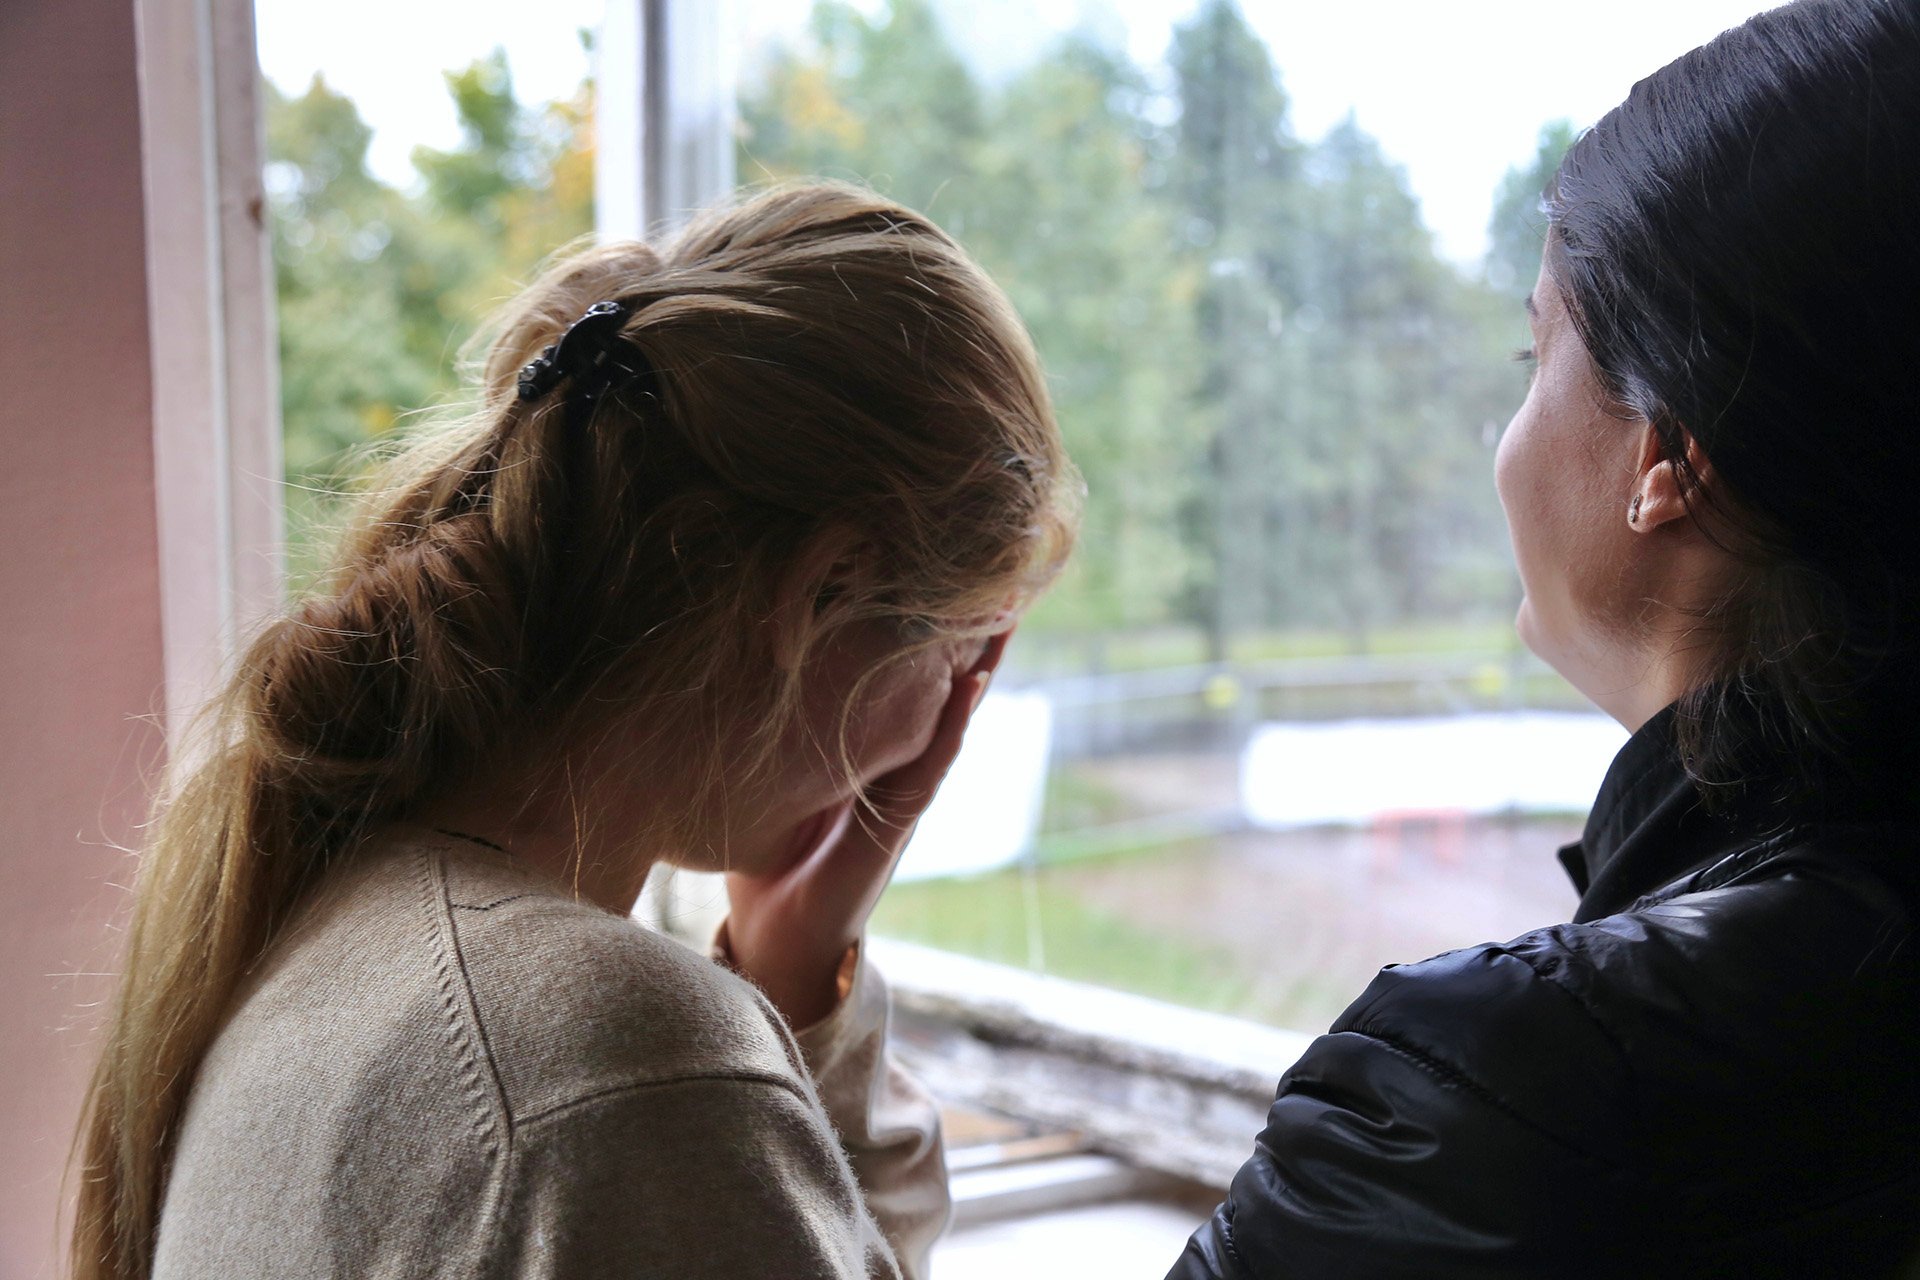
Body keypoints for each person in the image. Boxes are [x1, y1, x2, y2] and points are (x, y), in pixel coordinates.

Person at [70, 183, 1078, 1280]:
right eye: (964, 649)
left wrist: (799, 986)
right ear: (825, 592)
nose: (949, 711)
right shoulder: (625, 1065)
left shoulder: (323, 905)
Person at [1169, 2, 1920, 1276]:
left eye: (1535, 353)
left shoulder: (1490, 1095)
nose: (1502, 438)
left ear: (1666, 455)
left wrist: (800, 1002)